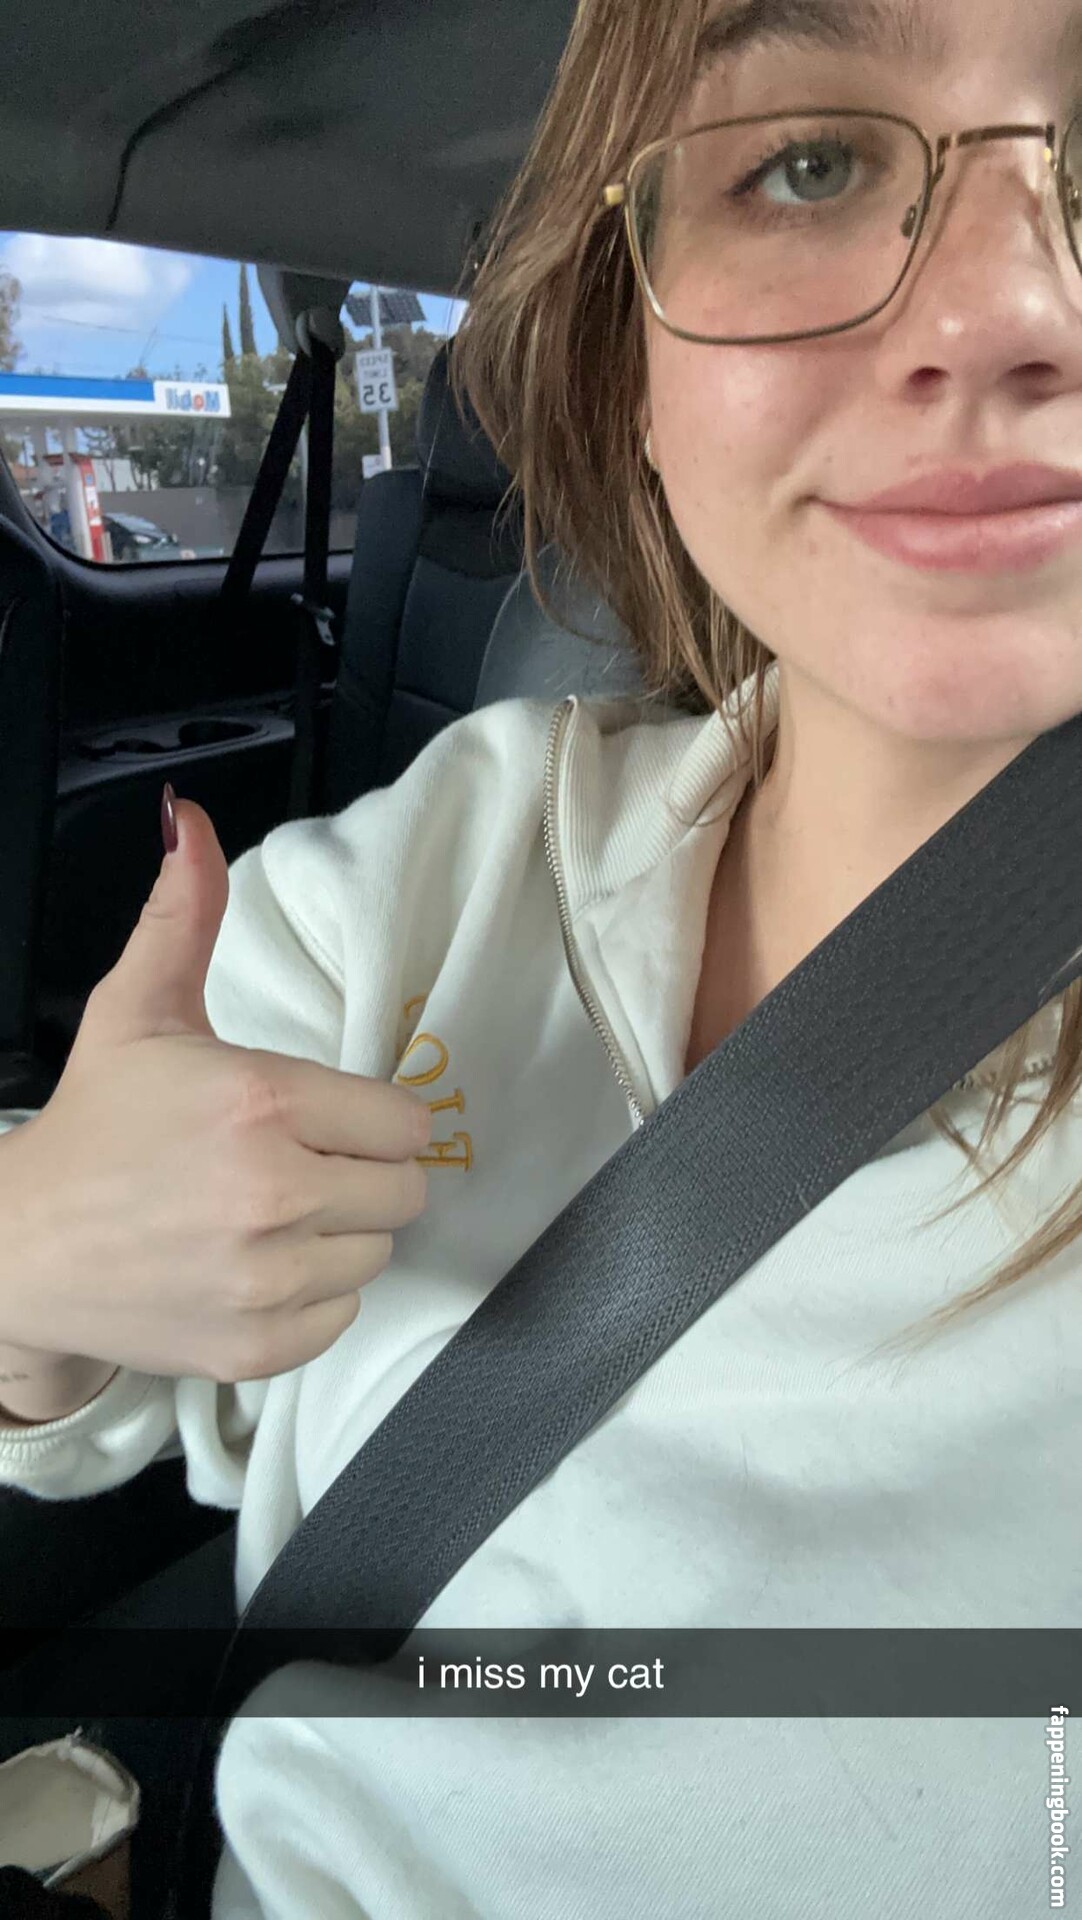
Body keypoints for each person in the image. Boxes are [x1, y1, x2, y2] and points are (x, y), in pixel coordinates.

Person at [1, 0, 1080, 1911]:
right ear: (628, 356)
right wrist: (32, 1265)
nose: (1001, 311)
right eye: (805, 164)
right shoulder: (428, 871)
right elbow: (121, 1394)